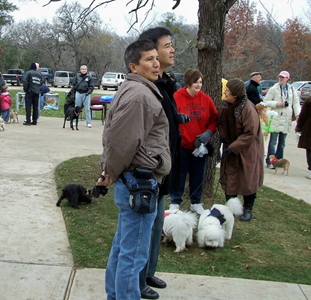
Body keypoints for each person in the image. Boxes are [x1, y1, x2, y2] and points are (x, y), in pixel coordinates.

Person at [97, 39, 171, 300]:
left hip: (134, 182)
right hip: (138, 184)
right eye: (148, 59)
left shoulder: (137, 90)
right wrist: (110, 172)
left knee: (123, 248)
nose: (156, 62)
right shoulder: (140, 96)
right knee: (134, 254)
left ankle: (115, 296)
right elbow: (119, 142)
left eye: (156, 57)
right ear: (133, 66)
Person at [136, 27, 181, 300]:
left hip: (166, 168)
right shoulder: (146, 87)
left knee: (156, 226)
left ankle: (149, 271)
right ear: (151, 52)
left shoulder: (166, 83)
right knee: (144, 227)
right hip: (150, 170)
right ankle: (138, 279)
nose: (172, 50)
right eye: (167, 45)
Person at [169, 68, 218, 214]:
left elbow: (214, 119)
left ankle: (196, 201)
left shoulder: (206, 99)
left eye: (200, 82)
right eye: (195, 82)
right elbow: (171, 119)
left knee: (198, 174)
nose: (198, 85)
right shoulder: (177, 97)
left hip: (200, 146)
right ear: (188, 83)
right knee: (179, 174)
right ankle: (175, 201)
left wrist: (208, 133)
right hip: (182, 145)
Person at [218, 79, 264, 221]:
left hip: (247, 149)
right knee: (230, 177)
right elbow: (220, 124)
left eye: (228, 90)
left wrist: (234, 147)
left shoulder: (248, 109)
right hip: (231, 147)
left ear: (235, 94)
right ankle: (230, 208)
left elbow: (250, 133)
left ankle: (248, 208)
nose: (225, 91)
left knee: (248, 178)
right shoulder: (226, 105)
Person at [263, 71, 301, 169]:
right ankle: (270, 161)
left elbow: (296, 103)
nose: (281, 79)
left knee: (282, 142)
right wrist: (277, 104)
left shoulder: (291, 89)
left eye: (283, 77)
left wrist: (298, 115)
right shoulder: (273, 89)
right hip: (276, 118)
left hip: (286, 119)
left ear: (288, 79)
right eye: (280, 77)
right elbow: (265, 102)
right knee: (273, 142)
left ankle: (279, 161)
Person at [295, 96, 311, 179]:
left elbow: (303, 115)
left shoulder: (309, 100)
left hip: (309, 128)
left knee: (309, 149)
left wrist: (298, 127)